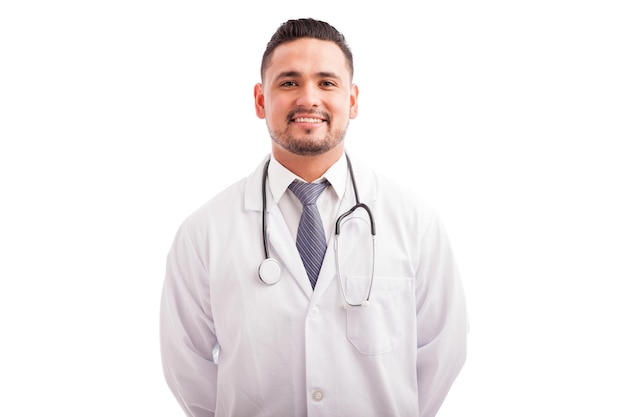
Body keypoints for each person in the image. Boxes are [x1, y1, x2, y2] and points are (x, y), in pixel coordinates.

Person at [160, 17, 468, 417]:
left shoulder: (415, 223)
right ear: (260, 100)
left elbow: (443, 349)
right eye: (289, 82)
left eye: (327, 82)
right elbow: (186, 362)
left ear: (352, 100)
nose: (308, 98)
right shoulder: (204, 233)